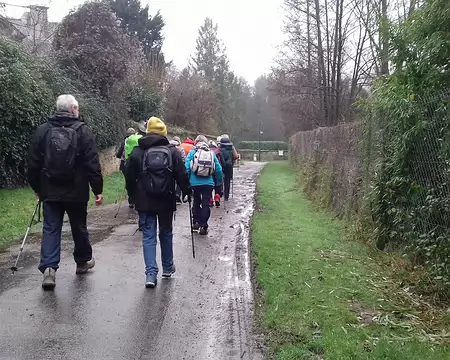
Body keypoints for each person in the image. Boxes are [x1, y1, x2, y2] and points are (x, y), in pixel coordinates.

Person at [27, 94, 104, 290]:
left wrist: (37, 188)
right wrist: (97, 190)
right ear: (72, 109)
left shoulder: (43, 130)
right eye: (77, 108)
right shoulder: (82, 131)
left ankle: (49, 270)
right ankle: (82, 262)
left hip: (50, 190)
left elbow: (33, 163)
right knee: (79, 226)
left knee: (51, 228)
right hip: (77, 191)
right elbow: (92, 162)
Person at [126, 117, 192, 288]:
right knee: (166, 233)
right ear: (164, 132)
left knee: (148, 236)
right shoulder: (172, 151)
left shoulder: (138, 151)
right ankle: (168, 268)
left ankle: (150, 274)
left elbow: (129, 174)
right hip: (165, 200)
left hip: (144, 201)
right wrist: (187, 191)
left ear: (147, 131)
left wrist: (132, 195)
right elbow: (182, 174)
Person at [186, 135, 223, 235]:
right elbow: (219, 169)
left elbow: (187, 168)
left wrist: (187, 181)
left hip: (195, 183)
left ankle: (196, 222)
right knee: (206, 203)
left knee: (196, 201)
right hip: (208, 183)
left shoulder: (193, 152)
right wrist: (218, 182)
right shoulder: (211, 153)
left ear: (196, 142)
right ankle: (204, 225)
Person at [116, 127, 136, 207]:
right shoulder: (137, 142)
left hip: (125, 165)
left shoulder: (124, 142)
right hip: (135, 164)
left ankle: (131, 200)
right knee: (136, 181)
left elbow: (119, 153)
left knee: (128, 182)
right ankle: (136, 199)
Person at [219, 134, 239, 201]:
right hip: (229, 166)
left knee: (220, 179)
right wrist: (232, 158)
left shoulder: (219, 146)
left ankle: (220, 192)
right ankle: (226, 196)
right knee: (227, 181)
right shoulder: (232, 147)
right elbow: (236, 156)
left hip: (221, 165)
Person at [169, 136, 187, 203]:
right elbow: (183, 159)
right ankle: (177, 194)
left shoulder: (167, 147)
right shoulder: (180, 149)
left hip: (169, 167)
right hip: (177, 168)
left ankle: (170, 195)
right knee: (179, 181)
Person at [208, 140, 224, 207]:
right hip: (217, 170)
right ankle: (217, 197)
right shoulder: (218, 151)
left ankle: (210, 200)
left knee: (210, 186)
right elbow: (222, 161)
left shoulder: (207, 152)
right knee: (218, 184)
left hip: (209, 171)